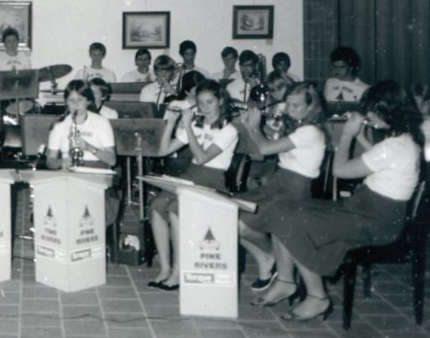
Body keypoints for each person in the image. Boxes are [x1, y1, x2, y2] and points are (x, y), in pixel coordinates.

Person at [254, 81, 423, 322]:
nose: (370, 116)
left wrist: (346, 135)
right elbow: (378, 156)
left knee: (288, 216)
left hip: (374, 219)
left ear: (391, 112)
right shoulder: (404, 140)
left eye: (374, 111)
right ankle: (284, 280)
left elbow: (340, 170)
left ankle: (316, 297)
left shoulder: (395, 147)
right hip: (366, 209)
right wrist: (362, 136)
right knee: (280, 207)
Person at [148, 80, 239, 290]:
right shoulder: (197, 125)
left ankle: (179, 273)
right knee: (156, 206)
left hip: (213, 181)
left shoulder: (229, 129)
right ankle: (165, 268)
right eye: (201, 103)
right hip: (191, 176)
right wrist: (171, 123)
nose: (205, 108)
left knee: (175, 210)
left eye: (210, 102)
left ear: (221, 101)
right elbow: (163, 151)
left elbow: (202, 157)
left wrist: (187, 126)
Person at [236, 82, 328, 290]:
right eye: (288, 105)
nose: (289, 110)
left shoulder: (310, 131)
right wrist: (253, 126)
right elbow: (269, 141)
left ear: (311, 106)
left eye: (296, 106)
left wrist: (253, 126)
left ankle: (270, 256)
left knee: (240, 225)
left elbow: (266, 149)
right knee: (229, 213)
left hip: (295, 191)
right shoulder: (297, 126)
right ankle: (267, 257)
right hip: (278, 183)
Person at [45, 81, 118, 224]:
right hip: (69, 173)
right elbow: (50, 161)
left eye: (80, 100)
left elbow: (112, 160)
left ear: (88, 100)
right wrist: (61, 162)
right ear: (66, 102)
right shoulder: (59, 125)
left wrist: (89, 147)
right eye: (71, 100)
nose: (75, 105)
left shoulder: (102, 122)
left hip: (96, 172)